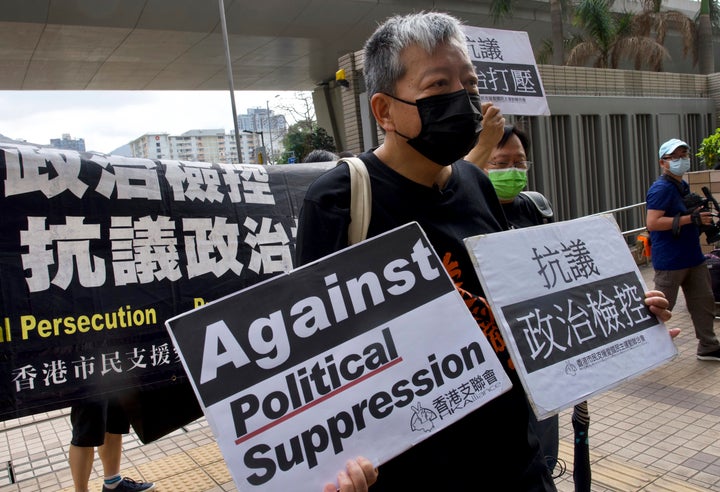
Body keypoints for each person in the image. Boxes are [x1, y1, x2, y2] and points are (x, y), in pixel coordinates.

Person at [295, 12, 673, 492]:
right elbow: (310, 360)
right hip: (412, 475)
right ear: (384, 110)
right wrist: (334, 470)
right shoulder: (339, 199)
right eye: (438, 86)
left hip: (516, 459)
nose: (463, 99)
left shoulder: (477, 182)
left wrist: (621, 313)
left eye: (469, 84)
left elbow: (515, 298)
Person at [467, 121, 590, 491]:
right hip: (491, 365)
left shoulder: (533, 207)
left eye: (520, 162)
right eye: (501, 161)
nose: (513, 170)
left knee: (543, 451)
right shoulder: (463, 211)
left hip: (539, 353)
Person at [646, 138, 720, 361]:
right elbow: (653, 223)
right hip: (670, 260)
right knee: (659, 307)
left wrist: (701, 220)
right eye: (675, 157)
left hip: (692, 256)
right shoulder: (660, 189)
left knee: (703, 301)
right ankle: (644, 349)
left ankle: (709, 346)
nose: (681, 160)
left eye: (684, 156)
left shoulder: (682, 185)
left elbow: (683, 218)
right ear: (663, 162)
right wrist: (691, 218)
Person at [69, 397, 155, 492]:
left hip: (112, 382)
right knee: (85, 430)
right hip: (86, 384)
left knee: (114, 423)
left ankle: (113, 483)